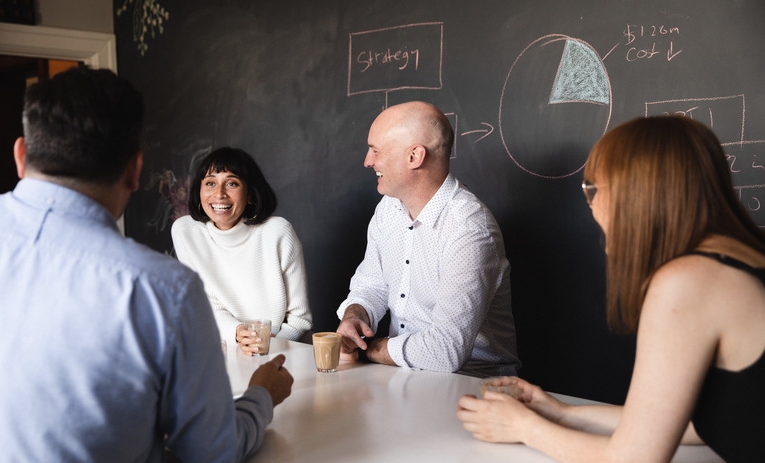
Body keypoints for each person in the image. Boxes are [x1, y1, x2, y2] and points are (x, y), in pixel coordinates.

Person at [0, 67, 293, 462]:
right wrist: (260, 396)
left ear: (20, 155)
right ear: (135, 171)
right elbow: (212, 452)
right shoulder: (163, 290)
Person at [457, 115, 765, 463]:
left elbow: (636, 458)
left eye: (593, 189)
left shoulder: (689, 281)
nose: (591, 205)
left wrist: (523, 428)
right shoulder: (743, 259)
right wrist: (562, 413)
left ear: (636, 192)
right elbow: (706, 423)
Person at [336, 101, 520, 378]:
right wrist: (355, 316)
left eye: (376, 150)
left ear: (414, 157)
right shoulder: (388, 209)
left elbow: (446, 350)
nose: (368, 161)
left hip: (473, 386)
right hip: (401, 375)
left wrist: (367, 349)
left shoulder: (469, 229)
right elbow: (372, 284)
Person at [171, 147, 312, 354]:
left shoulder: (277, 233)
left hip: (283, 351)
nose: (219, 194)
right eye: (210, 183)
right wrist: (237, 333)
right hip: (222, 345)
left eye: (232, 183)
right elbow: (205, 305)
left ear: (250, 195)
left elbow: (301, 320)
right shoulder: (186, 232)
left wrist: (264, 347)